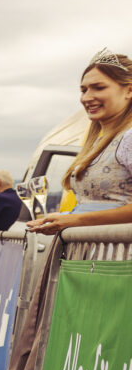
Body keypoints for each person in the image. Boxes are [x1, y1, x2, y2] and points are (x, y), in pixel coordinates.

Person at [29, 50, 132, 236]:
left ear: (129, 90)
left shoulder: (129, 138)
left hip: (117, 250)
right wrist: (64, 217)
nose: (86, 98)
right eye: (83, 90)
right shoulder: (98, 143)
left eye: (99, 88)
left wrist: (75, 220)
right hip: (91, 247)